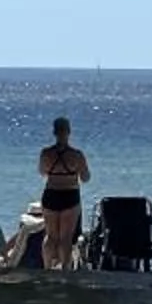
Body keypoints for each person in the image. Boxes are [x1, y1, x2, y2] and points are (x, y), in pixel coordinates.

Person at [37, 116, 89, 272]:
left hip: (51, 193)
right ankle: (65, 269)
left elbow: (42, 172)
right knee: (66, 237)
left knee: (51, 235)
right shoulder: (77, 155)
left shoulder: (46, 153)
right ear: (69, 132)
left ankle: (47, 267)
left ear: (54, 132)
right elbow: (85, 178)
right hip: (70, 194)